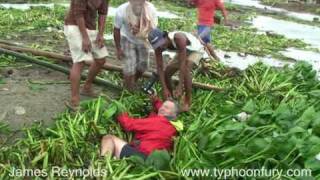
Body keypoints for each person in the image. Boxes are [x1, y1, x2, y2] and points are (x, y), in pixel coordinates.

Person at [64, 0, 109, 110]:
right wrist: (84, 37)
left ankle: (87, 87)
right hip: (74, 25)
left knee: (101, 59)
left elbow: (103, 13)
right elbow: (78, 14)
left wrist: (100, 34)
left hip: (90, 26)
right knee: (80, 61)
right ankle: (74, 100)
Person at [100, 96, 178, 159]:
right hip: (153, 161)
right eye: (162, 106)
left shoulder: (159, 121)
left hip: (141, 157)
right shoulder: (174, 127)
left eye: (166, 108)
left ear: (174, 115)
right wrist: (156, 101)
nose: (162, 108)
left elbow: (128, 124)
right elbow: (162, 108)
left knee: (108, 138)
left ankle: (103, 163)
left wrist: (120, 113)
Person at [148, 29, 205, 112]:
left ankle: (187, 101)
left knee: (186, 69)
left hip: (195, 50)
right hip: (182, 51)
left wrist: (180, 86)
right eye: (157, 46)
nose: (160, 47)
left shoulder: (178, 38)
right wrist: (165, 89)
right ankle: (171, 97)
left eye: (161, 44)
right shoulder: (158, 47)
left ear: (165, 37)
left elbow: (182, 64)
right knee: (167, 72)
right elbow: (160, 67)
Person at [114, 0, 158, 91]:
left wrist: (141, 30)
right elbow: (116, 29)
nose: (138, 2)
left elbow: (153, 29)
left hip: (143, 40)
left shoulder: (151, 9)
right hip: (127, 39)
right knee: (129, 67)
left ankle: (132, 82)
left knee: (144, 66)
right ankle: (128, 90)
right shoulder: (121, 10)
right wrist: (118, 48)